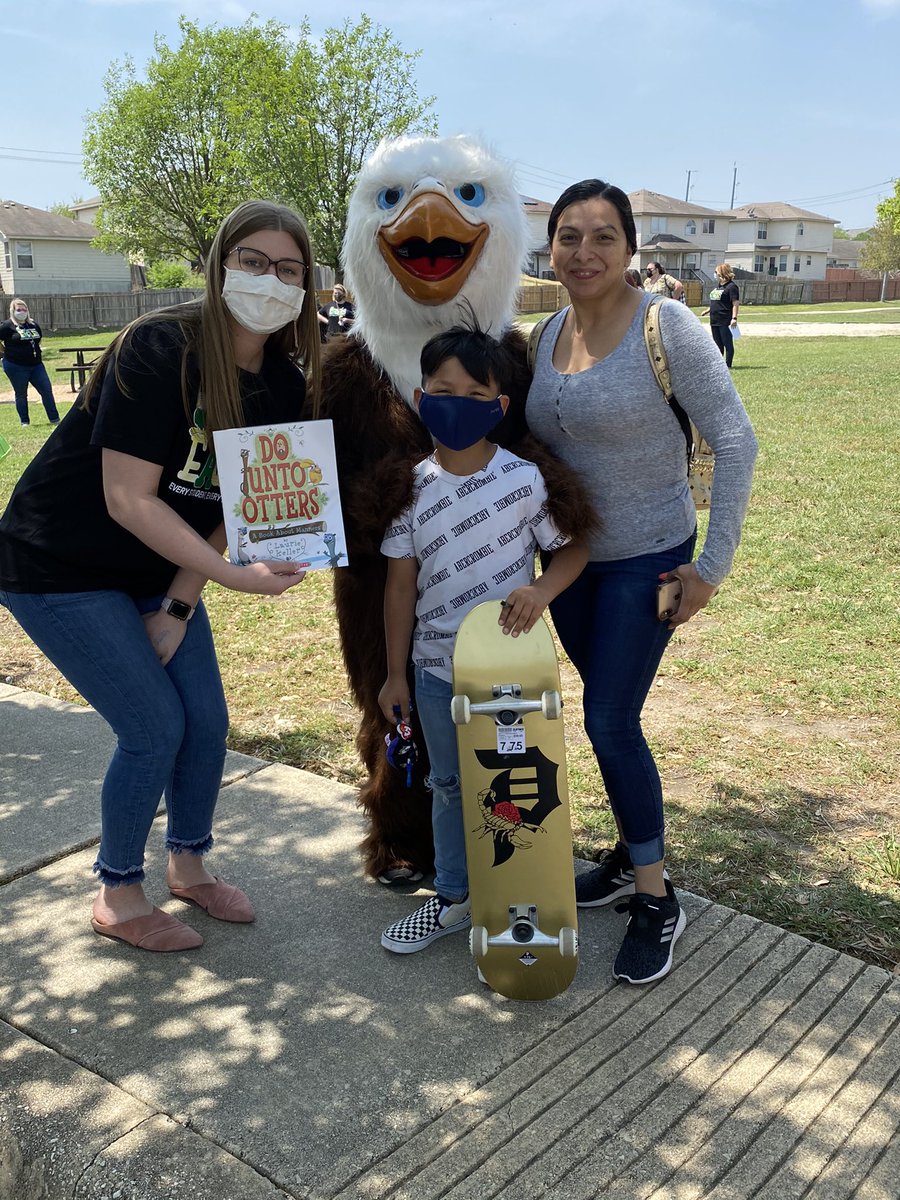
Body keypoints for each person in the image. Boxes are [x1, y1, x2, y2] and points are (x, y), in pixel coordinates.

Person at [0, 200, 321, 952]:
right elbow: (126, 498)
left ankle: (188, 864)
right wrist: (239, 579)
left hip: (157, 568)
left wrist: (179, 604)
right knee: (153, 729)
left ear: (307, 285)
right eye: (251, 262)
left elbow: (234, 505)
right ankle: (117, 892)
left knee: (206, 723)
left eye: (288, 268)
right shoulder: (160, 347)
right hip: (58, 564)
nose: (268, 280)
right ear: (217, 268)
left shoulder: (283, 384)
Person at [526, 179, 757, 985]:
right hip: (571, 565)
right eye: (568, 236)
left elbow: (736, 439)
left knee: (609, 718)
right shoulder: (544, 332)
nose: (583, 252)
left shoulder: (668, 327)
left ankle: (658, 899)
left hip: (650, 559)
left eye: (602, 236)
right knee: (610, 709)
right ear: (549, 248)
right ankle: (631, 852)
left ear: (630, 249)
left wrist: (710, 569)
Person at [378, 325, 587, 954]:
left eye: (475, 393)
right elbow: (397, 591)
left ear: (499, 406)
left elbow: (572, 551)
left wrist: (542, 591)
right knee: (447, 782)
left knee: (513, 777)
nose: (457, 403)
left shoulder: (524, 481)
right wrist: (395, 675)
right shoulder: (408, 488)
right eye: (443, 391)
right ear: (421, 399)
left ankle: (523, 883)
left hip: (509, 673)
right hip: (436, 669)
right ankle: (453, 896)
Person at [0, 298, 60, 426]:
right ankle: (25, 421)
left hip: (36, 365)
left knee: (46, 390)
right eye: (19, 309)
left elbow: (38, 339)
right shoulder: (7, 326)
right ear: (13, 311)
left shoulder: (33, 325)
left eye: (24, 309)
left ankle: (55, 419)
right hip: (15, 365)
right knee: (21, 394)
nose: (22, 311)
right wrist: (4, 351)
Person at [708, 263, 741, 368]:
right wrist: (708, 310)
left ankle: (728, 364)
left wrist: (734, 318)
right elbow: (718, 301)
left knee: (727, 343)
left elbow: (735, 303)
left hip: (724, 319)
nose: (715, 274)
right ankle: (719, 364)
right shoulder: (718, 286)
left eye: (716, 272)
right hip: (714, 319)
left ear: (722, 272)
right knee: (717, 344)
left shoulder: (731, 287)